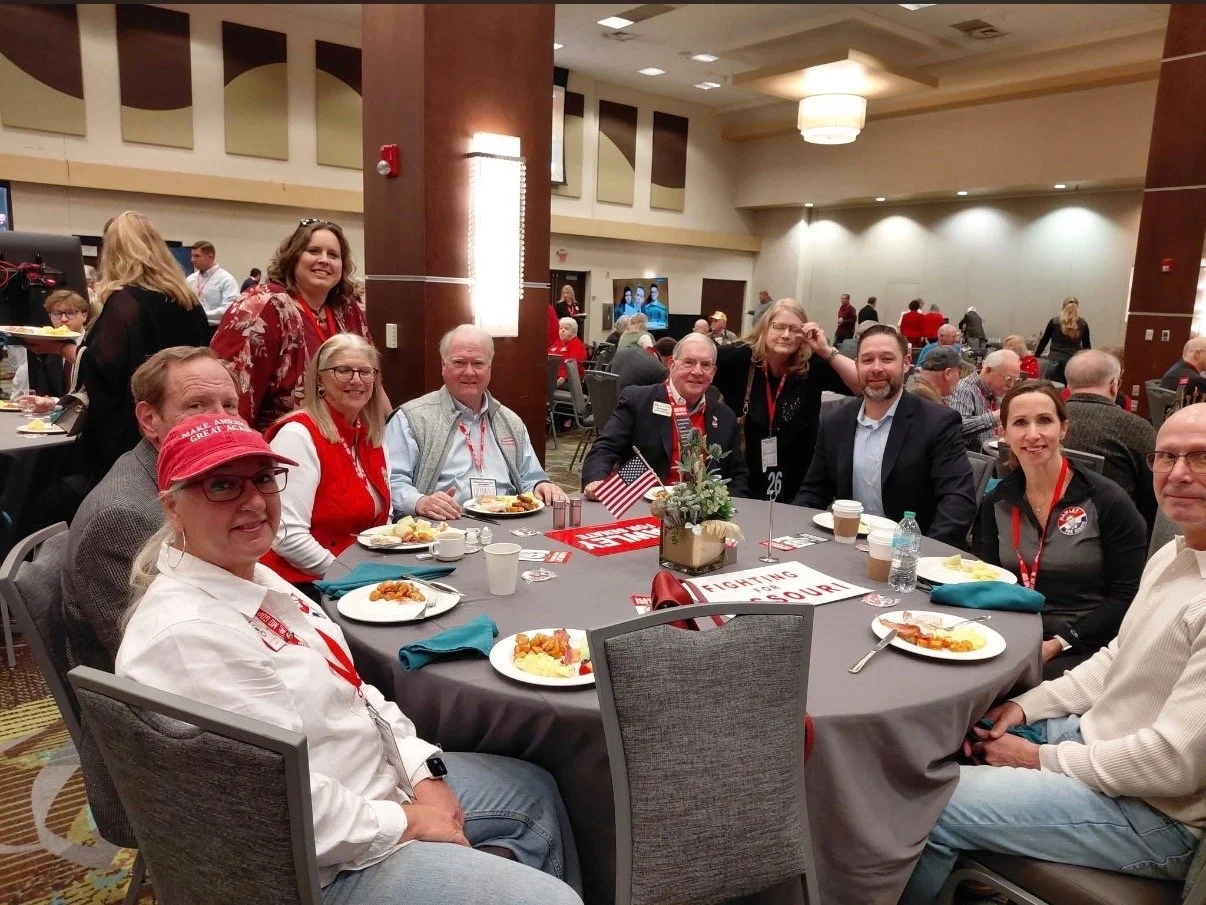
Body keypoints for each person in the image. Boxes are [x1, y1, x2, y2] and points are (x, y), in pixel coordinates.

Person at [116, 413, 584, 904]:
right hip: (321, 866)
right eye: (221, 486)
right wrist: (408, 821)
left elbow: (356, 692)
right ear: (172, 508)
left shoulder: (250, 577)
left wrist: (424, 772)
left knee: (535, 789)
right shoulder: (188, 638)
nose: (253, 501)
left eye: (262, 479)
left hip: (373, 784)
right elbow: (278, 803)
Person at [900, 403, 1206, 905]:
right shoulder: (1175, 554)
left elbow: (1172, 765)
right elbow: (1116, 660)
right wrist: (1025, 707)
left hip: (1155, 815)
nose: (1178, 474)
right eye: (1166, 457)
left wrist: (1038, 758)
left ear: (1064, 428)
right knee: (942, 739)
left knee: (926, 802)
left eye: (1200, 458)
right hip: (1099, 741)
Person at [61, 346, 242, 672]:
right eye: (196, 406)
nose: (221, 420)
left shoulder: (188, 481)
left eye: (229, 405)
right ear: (148, 420)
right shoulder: (123, 516)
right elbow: (165, 656)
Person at [979, 381, 1147, 677]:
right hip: (1015, 635)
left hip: (1088, 645)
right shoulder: (998, 500)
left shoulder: (1107, 500)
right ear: (1004, 432)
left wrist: (1061, 642)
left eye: (1044, 420)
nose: (1033, 434)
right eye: (1020, 423)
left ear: (1064, 428)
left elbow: (1128, 595)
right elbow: (990, 579)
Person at [794, 325, 976, 547]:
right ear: (857, 365)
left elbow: (957, 502)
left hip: (912, 557)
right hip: (847, 549)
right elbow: (812, 494)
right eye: (867, 360)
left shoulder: (938, 423)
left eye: (887, 359)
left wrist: (920, 557)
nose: (876, 368)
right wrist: (792, 538)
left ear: (906, 363)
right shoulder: (835, 423)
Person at [74, 211, 211, 482]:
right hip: (184, 428)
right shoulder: (190, 303)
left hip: (133, 435)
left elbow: (104, 368)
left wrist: (68, 352)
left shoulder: (125, 303)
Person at [384, 325, 568, 520]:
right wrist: (420, 502)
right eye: (459, 362)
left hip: (507, 527)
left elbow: (531, 478)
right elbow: (391, 481)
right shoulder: (412, 418)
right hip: (444, 529)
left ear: (490, 368)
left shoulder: (510, 421)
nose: (469, 372)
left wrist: (542, 486)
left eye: (478, 363)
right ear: (443, 366)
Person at [212, 219, 372, 431]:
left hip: (342, 442)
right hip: (278, 446)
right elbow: (230, 395)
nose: (324, 260)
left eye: (333, 255)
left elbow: (371, 380)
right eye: (313, 251)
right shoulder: (261, 306)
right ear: (293, 256)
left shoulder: (347, 308)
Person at [261, 334, 390, 596]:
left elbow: (384, 518)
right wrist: (352, 576)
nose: (356, 380)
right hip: (306, 585)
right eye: (343, 370)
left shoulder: (370, 435)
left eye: (365, 372)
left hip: (360, 576)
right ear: (320, 379)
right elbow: (287, 536)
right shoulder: (297, 435)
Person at [710, 298, 859, 502]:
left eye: (795, 329)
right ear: (765, 326)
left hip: (798, 477)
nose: (786, 335)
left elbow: (862, 385)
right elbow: (697, 367)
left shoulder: (812, 363)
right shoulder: (739, 357)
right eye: (779, 327)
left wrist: (826, 351)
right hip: (744, 474)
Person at [582, 333, 749, 498]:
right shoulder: (638, 401)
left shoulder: (724, 416)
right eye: (689, 362)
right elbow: (605, 449)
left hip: (703, 516)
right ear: (672, 365)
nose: (697, 371)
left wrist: (725, 509)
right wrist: (596, 481)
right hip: (644, 505)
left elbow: (738, 475)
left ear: (713, 372)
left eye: (705, 365)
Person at [1063, 350, 1159, 534]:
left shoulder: (1044, 424)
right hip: (1115, 535)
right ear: (1114, 386)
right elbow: (1154, 494)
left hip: (1044, 529)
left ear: (1068, 384)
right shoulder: (1136, 428)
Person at [12, 288, 91, 398]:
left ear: (84, 315)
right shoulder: (47, 348)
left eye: (70, 313)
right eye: (57, 313)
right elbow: (44, 393)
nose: (63, 319)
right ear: (50, 316)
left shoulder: (93, 344)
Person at [950, 349, 1021, 451]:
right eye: (1008, 379)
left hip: (996, 452)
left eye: (1016, 380)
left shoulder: (999, 391)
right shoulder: (963, 389)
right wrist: (996, 416)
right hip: (974, 458)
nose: (1011, 385)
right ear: (988, 370)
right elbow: (957, 428)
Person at [1034, 296, 1090, 384]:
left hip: (1054, 361)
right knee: (1068, 390)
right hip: (1072, 363)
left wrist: (1036, 356)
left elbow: (1044, 341)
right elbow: (1087, 346)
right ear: (1077, 308)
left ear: (1062, 307)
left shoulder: (1054, 321)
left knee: (1052, 389)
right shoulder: (1083, 324)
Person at [187, 240, 240, 330]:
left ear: (210, 256)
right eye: (192, 256)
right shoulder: (190, 279)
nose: (192, 260)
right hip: (193, 327)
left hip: (215, 329)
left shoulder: (226, 280)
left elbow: (230, 308)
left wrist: (201, 315)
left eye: (197, 256)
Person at [548, 317, 588, 386]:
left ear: (573, 332)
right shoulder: (557, 343)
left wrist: (561, 379)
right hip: (552, 376)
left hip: (568, 381)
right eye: (561, 328)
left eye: (566, 328)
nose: (562, 330)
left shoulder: (577, 345)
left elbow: (574, 366)